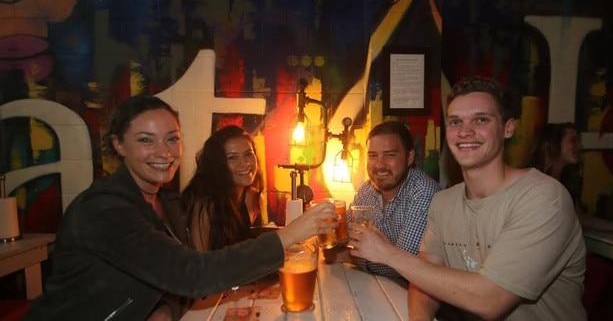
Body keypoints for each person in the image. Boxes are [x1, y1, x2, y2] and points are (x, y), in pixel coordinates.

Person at [24, 95, 336, 321]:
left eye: (172, 139)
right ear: (119, 145)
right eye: (146, 140)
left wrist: (163, 310)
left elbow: (173, 280)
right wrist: (294, 232)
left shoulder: (166, 203)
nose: (164, 151)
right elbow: (194, 274)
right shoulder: (103, 210)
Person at [347, 76, 587, 320]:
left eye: (481, 119)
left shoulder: (544, 198)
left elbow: (490, 299)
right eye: (455, 122)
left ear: (508, 128)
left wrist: (386, 253)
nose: (465, 131)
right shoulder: (445, 202)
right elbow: (424, 282)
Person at [531, 122, 613, 321]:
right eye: (573, 140)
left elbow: (581, 218)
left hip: (566, 264)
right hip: (549, 271)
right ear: (552, 144)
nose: (580, 146)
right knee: (608, 277)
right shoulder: (534, 183)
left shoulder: (564, 184)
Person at [324, 120, 441, 279]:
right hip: (378, 291)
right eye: (373, 156)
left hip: (411, 296)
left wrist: (349, 256)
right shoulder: (367, 189)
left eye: (390, 155)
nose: (379, 165)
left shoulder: (422, 192)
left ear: (410, 157)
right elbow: (341, 236)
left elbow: (405, 266)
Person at [182, 125, 266, 251]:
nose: (244, 163)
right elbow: (198, 264)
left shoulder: (253, 198)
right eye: (232, 157)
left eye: (248, 154)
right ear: (217, 164)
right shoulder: (205, 205)